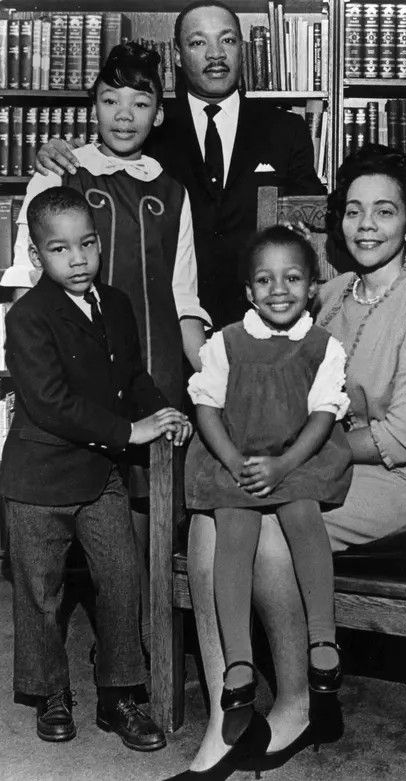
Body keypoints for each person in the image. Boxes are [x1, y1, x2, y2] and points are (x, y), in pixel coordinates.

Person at [169, 145, 406, 779]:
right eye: (353, 211)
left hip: (396, 478)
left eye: (384, 212)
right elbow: (252, 351)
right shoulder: (327, 292)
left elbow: (404, 438)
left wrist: (286, 453)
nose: (366, 225)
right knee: (210, 511)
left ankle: (298, 701)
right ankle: (231, 710)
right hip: (304, 459)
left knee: (268, 521)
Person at [2, 41, 211, 664]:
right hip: (71, 371)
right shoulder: (59, 171)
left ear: (158, 114)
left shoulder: (172, 191)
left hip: (150, 362)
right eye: (110, 99)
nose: (124, 114)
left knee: (139, 509)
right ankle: (64, 652)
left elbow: (184, 293)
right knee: (63, 511)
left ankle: (129, 642)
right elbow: (23, 274)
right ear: (91, 104)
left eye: (140, 102)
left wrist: (217, 379)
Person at [0, 186, 192, 750]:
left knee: (120, 579)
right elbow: (51, 402)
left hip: (99, 473)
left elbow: (130, 377)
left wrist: (159, 409)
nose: (78, 258)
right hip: (37, 481)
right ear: (37, 256)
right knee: (40, 592)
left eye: (88, 244)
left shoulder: (116, 303)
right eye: (61, 249)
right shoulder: (29, 317)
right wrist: (130, 431)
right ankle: (50, 693)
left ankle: (119, 695)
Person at [32, 1, 325, 328]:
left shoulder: (285, 129)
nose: (215, 54)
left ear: (242, 48)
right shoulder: (149, 125)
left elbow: (312, 214)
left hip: (261, 319)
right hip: (167, 324)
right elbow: (103, 160)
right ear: (177, 54)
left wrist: (304, 231)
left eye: (226, 40)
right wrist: (57, 151)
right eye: (198, 42)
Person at [185, 225, 352, 747]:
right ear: (249, 292)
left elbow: (324, 417)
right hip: (236, 456)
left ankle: (323, 640)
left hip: (297, 455)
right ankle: (239, 662)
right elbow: (206, 407)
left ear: (312, 287)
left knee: (302, 513)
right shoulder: (226, 342)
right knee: (234, 527)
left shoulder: (324, 347)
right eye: (265, 279)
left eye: (293, 278)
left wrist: (283, 467)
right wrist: (234, 460)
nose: (279, 290)